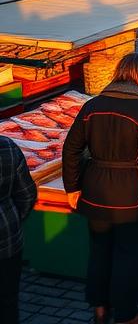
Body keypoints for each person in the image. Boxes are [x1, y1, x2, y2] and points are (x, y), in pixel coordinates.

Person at [62, 53, 138, 324]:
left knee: (100, 251)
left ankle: (100, 308)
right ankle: (126, 314)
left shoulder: (92, 106)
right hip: (130, 196)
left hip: (95, 191)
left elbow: (71, 149)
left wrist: (72, 188)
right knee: (128, 254)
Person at [0, 133, 37, 324]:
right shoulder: (7, 146)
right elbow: (27, 194)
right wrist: (15, 217)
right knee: (8, 301)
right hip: (7, 238)